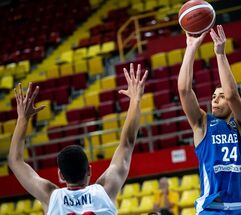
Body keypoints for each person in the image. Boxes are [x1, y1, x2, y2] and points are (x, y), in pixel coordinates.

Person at [8, 63, 148, 214]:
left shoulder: (51, 196)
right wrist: (135, 100)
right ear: (89, 170)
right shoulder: (104, 191)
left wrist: (22, 119)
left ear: (60, 175)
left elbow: (15, 161)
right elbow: (127, 143)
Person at [177, 25, 241, 214]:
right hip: (211, 208)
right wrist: (190, 47)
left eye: (220, 96)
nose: (215, 99)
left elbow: (232, 95)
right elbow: (184, 91)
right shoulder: (202, 124)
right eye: (213, 96)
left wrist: (220, 54)